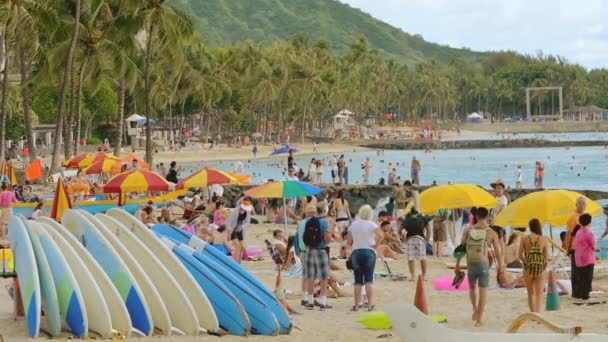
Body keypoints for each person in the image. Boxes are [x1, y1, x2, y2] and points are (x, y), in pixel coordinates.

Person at [455, 207, 502, 327]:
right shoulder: (491, 233)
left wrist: (457, 265)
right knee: (483, 291)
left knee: (472, 288)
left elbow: (460, 250)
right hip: (483, 264)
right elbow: (498, 252)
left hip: (470, 263)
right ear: (487, 217)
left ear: (476, 216)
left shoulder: (467, 230)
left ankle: (475, 309)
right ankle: (479, 319)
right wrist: (501, 267)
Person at [347, 205, 382, 311]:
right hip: (369, 251)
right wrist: (375, 245)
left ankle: (356, 305)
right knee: (369, 279)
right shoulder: (372, 224)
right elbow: (380, 236)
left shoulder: (354, 224)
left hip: (356, 252)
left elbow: (349, 241)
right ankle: (370, 304)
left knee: (357, 281)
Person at [304, 205, 332, 310]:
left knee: (310, 277)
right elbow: (327, 238)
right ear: (324, 210)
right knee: (324, 277)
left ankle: (310, 301)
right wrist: (327, 241)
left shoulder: (309, 221)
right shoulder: (325, 222)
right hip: (321, 250)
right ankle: (323, 302)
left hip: (310, 250)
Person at [519, 218, 549, 312]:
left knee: (530, 293)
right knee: (539, 293)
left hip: (528, 268)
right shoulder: (544, 239)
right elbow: (546, 257)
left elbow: (519, 255)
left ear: (530, 227)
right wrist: (542, 265)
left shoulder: (524, 238)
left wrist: (526, 262)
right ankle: (538, 314)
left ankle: (532, 314)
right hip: (540, 268)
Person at [565, 196, 586, 299]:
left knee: (583, 271)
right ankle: (576, 293)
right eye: (580, 204)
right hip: (575, 247)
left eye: (584, 204)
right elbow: (568, 234)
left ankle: (581, 292)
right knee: (576, 271)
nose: (582, 206)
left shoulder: (584, 217)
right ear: (576, 205)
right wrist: (567, 248)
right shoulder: (573, 217)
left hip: (584, 248)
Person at [295, 206, 317, 305]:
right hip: (309, 250)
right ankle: (309, 298)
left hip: (301, 251)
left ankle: (304, 297)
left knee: (304, 275)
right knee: (310, 276)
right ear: (313, 213)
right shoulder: (311, 223)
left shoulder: (300, 223)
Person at [403, 209, 430, 280]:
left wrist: (403, 239)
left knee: (411, 259)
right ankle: (424, 276)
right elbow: (428, 230)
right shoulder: (422, 218)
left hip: (410, 239)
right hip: (420, 239)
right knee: (423, 258)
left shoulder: (407, 219)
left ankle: (412, 276)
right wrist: (426, 241)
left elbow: (399, 230)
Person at [574, 213, 596, 300]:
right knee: (588, 278)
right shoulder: (589, 232)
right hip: (588, 259)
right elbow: (594, 247)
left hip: (579, 258)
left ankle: (581, 294)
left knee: (582, 278)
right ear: (589, 222)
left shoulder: (578, 232)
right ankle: (585, 295)